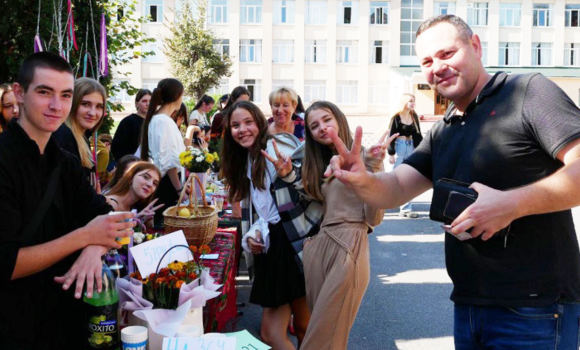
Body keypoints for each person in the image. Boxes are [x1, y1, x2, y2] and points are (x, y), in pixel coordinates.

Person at [325, 15, 580, 349]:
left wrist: (510, 206)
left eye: (447, 54)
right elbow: (397, 188)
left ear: (475, 46)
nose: (437, 67)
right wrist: (361, 179)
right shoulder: (445, 127)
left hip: (537, 310)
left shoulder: (527, 92)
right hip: (468, 306)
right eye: (428, 61)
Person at [0, 52, 135, 349]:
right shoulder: (5, 160)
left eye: (65, 95)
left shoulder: (66, 163)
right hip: (14, 324)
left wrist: (93, 247)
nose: (55, 105)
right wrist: (85, 236)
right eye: (44, 92)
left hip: (66, 319)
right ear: (19, 93)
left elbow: (115, 221)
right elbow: (7, 264)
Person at [265, 101, 393, 350]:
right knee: (324, 338)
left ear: (339, 119)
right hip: (317, 251)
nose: (322, 128)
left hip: (349, 248)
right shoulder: (311, 162)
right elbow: (305, 198)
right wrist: (287, 175)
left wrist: (374, 168)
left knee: (321, 341)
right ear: (309, 133)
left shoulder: (364, 157)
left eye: (327, 120)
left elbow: (374, 219)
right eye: (314, 125)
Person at [221, 101, 311, 349]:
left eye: (248, 122)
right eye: (235, 125)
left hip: (297, 243)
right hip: (274, 246)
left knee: (306, 329)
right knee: (272, 334)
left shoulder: (277, 147)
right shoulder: (246, 160)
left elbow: (308, 193)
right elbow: (267, 210)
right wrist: (254, 234)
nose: (242, 130)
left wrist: (288, 174)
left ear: (260, 123)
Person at [140, 78, 185, 227]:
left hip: (168, 182)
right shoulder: (162, 121)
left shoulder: (162, 119)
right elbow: (169, 162)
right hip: (167, 185)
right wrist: (179, 190)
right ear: (177, 96)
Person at [53, 77, 106, 190]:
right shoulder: (63, 135)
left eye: (99, 106)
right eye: (85, 104)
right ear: (72, 104)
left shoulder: (82, 138)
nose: (92, 113)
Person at [387, 93, 423, 218]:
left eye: (414, 101)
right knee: (396, 177)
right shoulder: (396, 118)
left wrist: (422, 150)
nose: (413, 103)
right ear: (404, 103)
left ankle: (406, 209)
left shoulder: (414, 116)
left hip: (411, 146)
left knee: (408, 178)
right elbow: (391, 136)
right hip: (399, 147)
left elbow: (418, 135)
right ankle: (388, 198)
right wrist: (391, 154)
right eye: (410, 101)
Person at [111, 89, 152, 161]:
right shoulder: (128, 122)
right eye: (144, 101)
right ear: (137, 104)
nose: (148, 104)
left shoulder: (154, 122)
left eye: (150, 101)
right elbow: (117, 148)